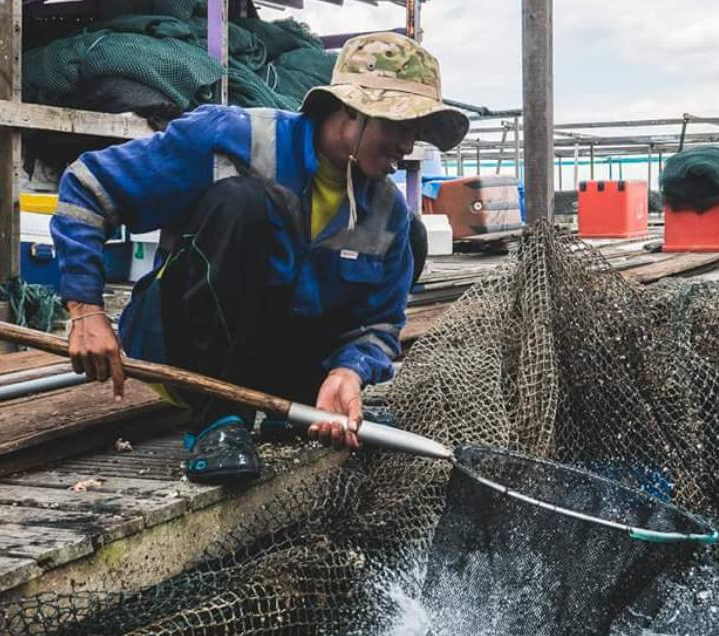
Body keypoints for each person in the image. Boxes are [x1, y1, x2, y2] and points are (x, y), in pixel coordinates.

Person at [51, 32, 468, 484]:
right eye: (399, 126)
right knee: (242, 203)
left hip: (280, 360)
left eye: (416, 131)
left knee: (413, 235)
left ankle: (296, 403)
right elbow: (88, 187)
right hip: (180, 351)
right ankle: (216, 420)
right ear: (352, 109)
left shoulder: (387, 214)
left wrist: (349, 371)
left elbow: (379, 325)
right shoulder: (232, 138)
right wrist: (86, 311)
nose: (408, 146)